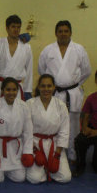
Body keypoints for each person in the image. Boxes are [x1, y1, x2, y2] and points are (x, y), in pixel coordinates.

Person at [38, 20, 91, 163]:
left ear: (70, 33)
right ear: (56, 33)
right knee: (54, 122)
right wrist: (51, 86)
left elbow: (87, 71)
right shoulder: (48, 50)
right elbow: (42, 70)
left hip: (72, 93)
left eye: (66, 31)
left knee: (73, 124)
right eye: (60, 31)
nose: (63, 34)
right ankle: (54, 151)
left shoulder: (79, 49)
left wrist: (74, 84)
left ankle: (73, 154)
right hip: (54, 92)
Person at [0, 77, 34, 183]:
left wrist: (27, 152)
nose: (11, 93)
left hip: (15, 149)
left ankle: (9, 170)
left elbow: (28, 132)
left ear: (17, 90)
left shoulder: (23, 107)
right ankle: (2, 169)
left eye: (14, 90)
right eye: (8, 90)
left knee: (20, 178)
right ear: (2, 90)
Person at [26, 74, 71, 183]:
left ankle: (48, 167)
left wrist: (57, 154)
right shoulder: (29, 104)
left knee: (65, 178)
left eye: (49, 86)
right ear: (39, 87)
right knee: (35, 179)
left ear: (54, 87)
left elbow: (64, 131)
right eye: (43, 86)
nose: (46, 89)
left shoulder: (60, 105)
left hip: (54, 144)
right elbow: (25, 130)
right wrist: (35, 150)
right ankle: (42, 169)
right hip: (36, 144)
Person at [0, 15, 33, 102]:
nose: (16, 29)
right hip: (1, 86)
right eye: (13, 26)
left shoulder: (26, 47)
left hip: (17, 87)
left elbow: (29, 69)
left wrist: (27, 90)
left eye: (18, 27)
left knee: (16, 114)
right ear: (7, 28)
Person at [73, 70, 97, 177]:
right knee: (79, 140)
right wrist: (84, 127)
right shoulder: (91, 98)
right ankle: (80, 165)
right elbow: (85, 115)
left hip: (96, 131)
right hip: (92, 129)